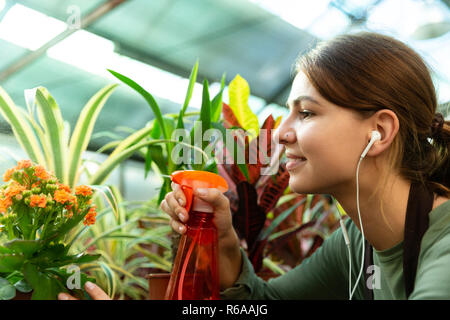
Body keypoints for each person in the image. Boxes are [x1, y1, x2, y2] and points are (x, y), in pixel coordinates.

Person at [59, 31, 449, 300]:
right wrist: (225, 244)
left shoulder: (443, 249)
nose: (281, 134)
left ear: (378, 132)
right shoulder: (357, 244)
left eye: (308, 113)